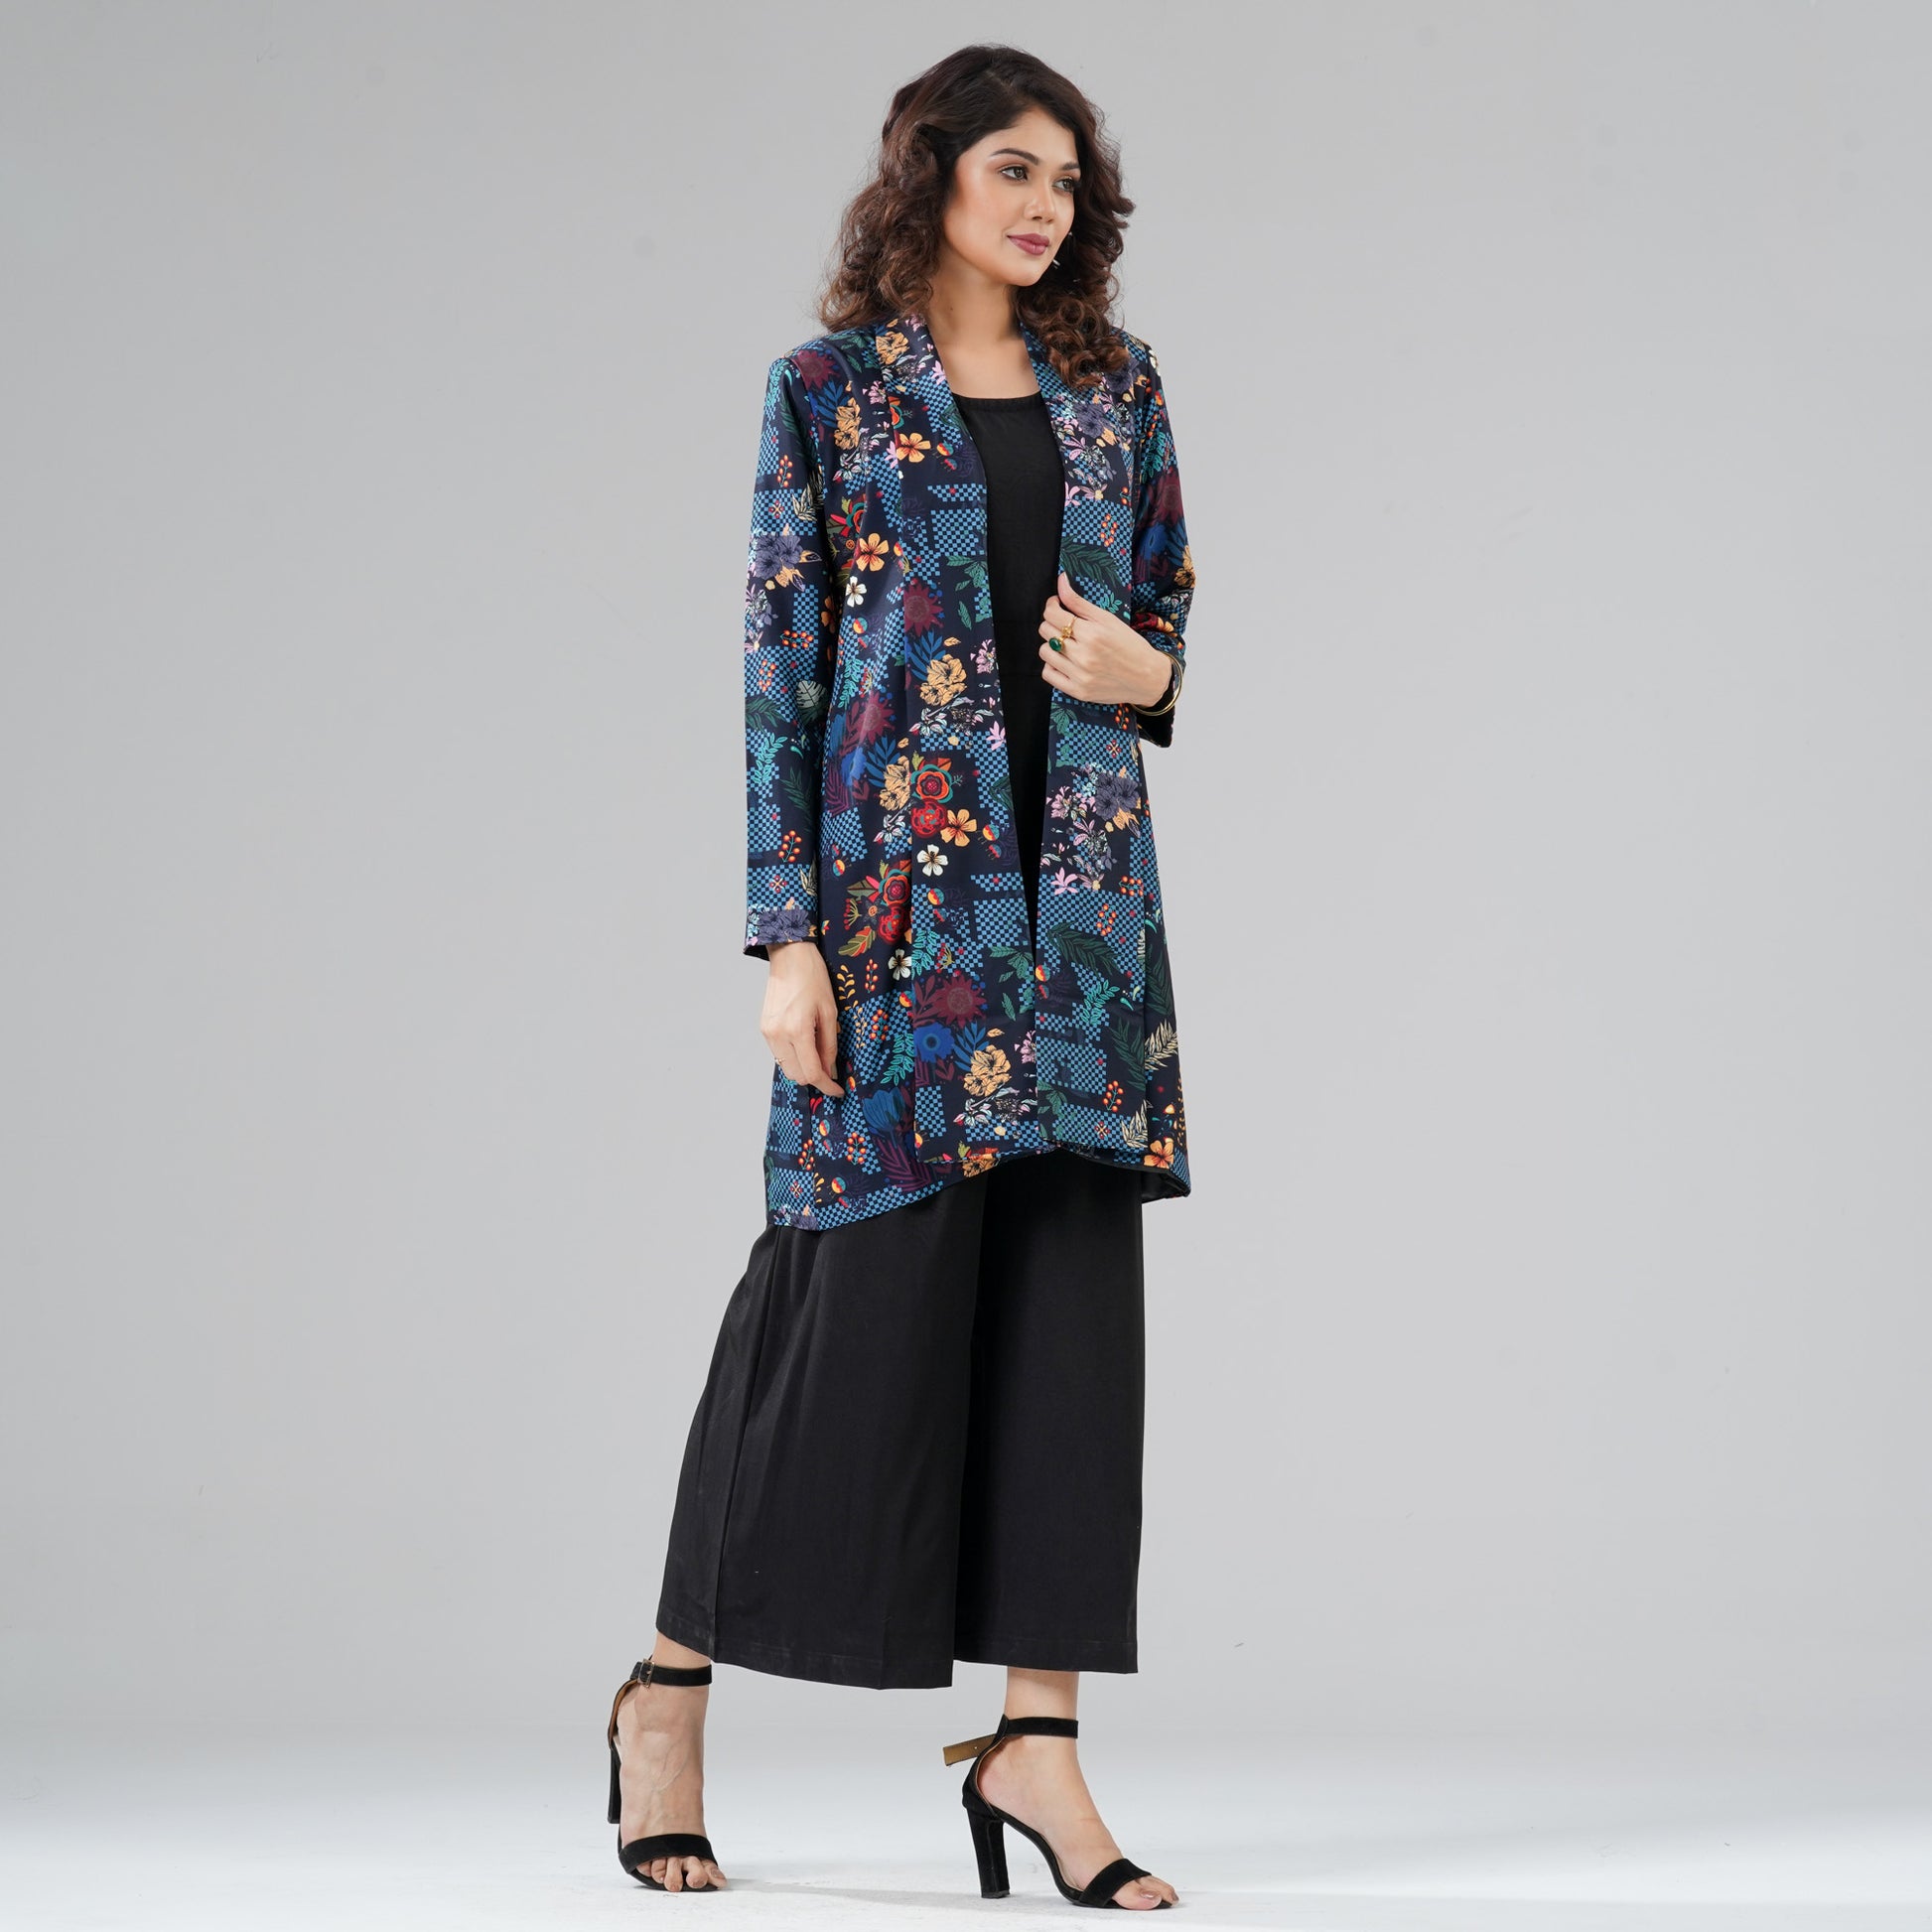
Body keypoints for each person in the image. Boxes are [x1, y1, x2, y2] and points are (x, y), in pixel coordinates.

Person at [603, 44, 1196, 1908]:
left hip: (1078, 936)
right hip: (894, 930)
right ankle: (666, 1692)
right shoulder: (827, 395)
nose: (1046, 207)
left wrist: (1152, 677)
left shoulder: (1114, 388)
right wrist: (784, 933)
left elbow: (1162, 610)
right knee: (831, 1312)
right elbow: (779, 669)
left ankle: (1040, 1743)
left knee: (1068, 1328)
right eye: (1014, 169)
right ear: (928, 173)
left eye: (1068, 182)